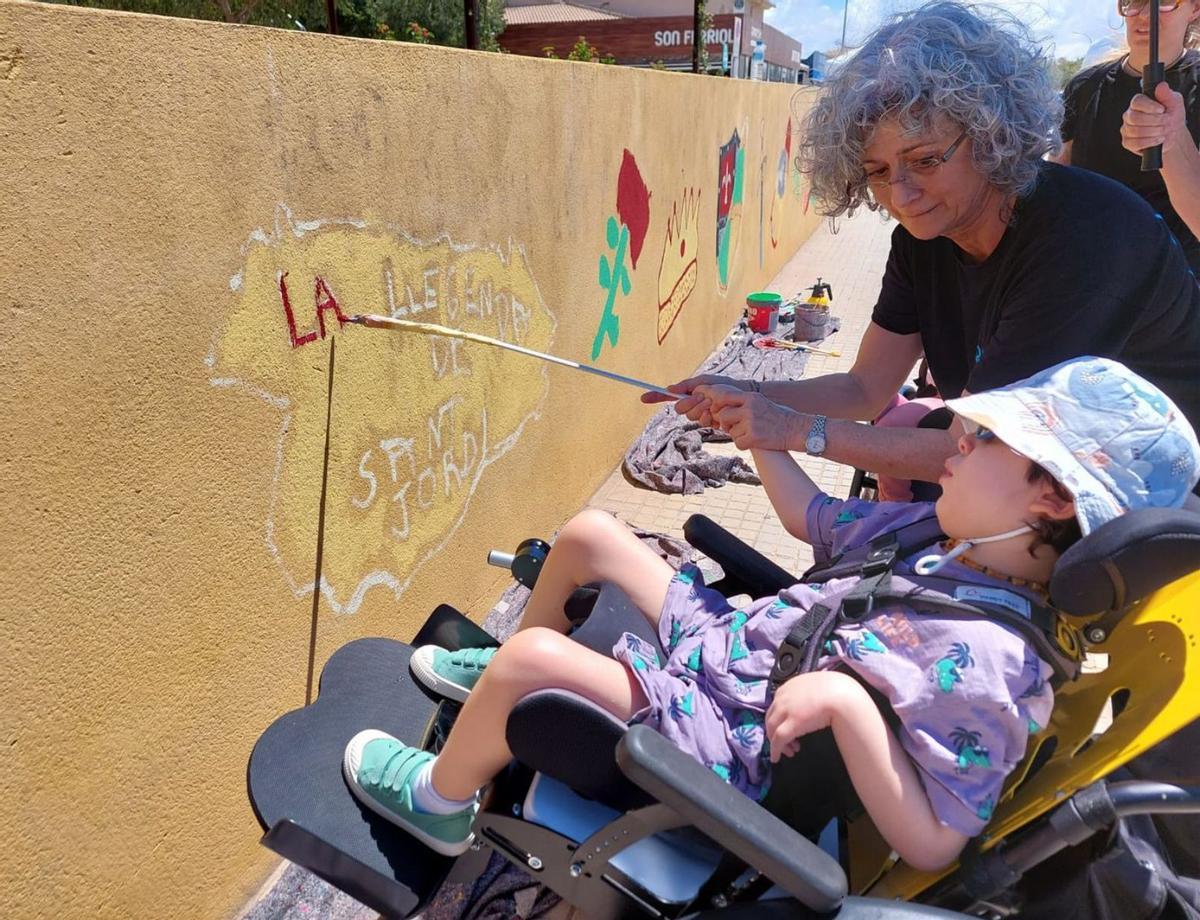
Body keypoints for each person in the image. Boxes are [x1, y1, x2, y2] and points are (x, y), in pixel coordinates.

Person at [340, 358, 1199, 870]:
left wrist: (849, 706)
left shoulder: (990, 662)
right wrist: (755, 428)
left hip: (729, 746)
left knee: (533, 667)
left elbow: (938, 841)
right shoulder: (946, 535)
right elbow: (806, 518)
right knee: (592, 534)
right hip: (735, 654)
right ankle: (498, 694)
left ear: (1051, 498)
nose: (954, 443)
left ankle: (438, 798)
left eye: (982, 442)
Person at [645, 1, 1200, 493]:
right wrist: (740, 390)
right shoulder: (923, 241)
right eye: (878, 171)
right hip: (1040, 485)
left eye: (926, 160)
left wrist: (792, 429)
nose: (902, 195)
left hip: (1153, 504)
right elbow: (864, 387)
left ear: (990, 132)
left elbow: (970, 451)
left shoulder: (1082, 240)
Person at [1054, 0, 1200, 272]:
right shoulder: (1084, 88)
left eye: (1165, 2)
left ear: (1195, 8)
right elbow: (1058, 184)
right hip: (1092, 275)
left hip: (1179, 282)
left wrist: (1173, 142)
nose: (1144, 14)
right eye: (1133, 2)